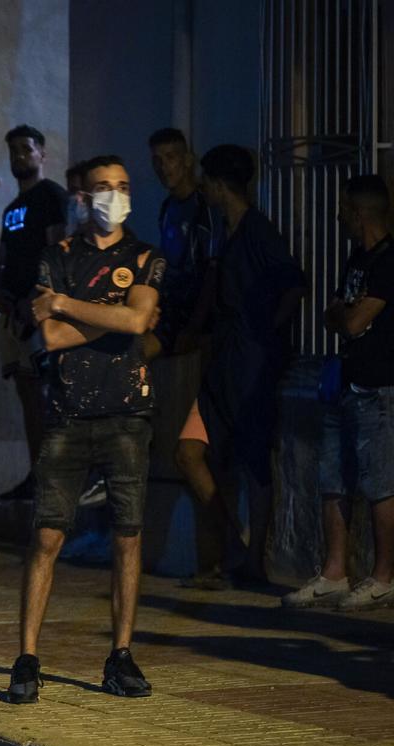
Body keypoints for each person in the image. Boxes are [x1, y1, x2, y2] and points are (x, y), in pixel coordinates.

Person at [8, 156, 165, 704]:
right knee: (47, 536)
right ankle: (27, 657)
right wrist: (110, 315)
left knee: (128, 536)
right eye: (103, 188)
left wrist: (74, 307)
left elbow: (138, 321)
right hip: (67, 412)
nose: (113, 196)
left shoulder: (145, 257)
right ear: (84, 196)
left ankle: (120, 656)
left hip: (127, 411)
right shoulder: (57, 256)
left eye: (122, 187)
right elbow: (49, 337)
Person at [173, 145, 305, 588]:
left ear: (217, 184)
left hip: (249, 357)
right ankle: (235, 544)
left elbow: (292, 283)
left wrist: (266, 332)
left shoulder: (257, 230)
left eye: (207, 180)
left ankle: (253, 558)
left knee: (252, 459)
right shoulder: (224, 231)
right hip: (227, 356)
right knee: (188, 452)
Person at [283, 175, 394, 611]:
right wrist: (345, 315)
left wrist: (345, 315)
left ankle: (384, 576)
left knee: (380, 483)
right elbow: (336, 313)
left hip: (378, 385)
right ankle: (334, 572)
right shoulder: (357, 259)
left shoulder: (387, 261)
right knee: (333, 478)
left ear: (359, 211)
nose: (338, 215)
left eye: (343, 208)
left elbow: (348, 320)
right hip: (344, 379)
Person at [0, 124, 69, 503]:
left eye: (26, 149)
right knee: (28, 395)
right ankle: (37, 472)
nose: (19, 156)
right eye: (13, 150)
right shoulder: (12, 209)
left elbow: (56, 252)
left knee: (47, 395)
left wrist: (35, 300)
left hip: (40, 314)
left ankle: (54, 476)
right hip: (14, 315)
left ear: (42, 154)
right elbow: (5, 256)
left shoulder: (52, 197)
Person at [145, 128, 222, 361]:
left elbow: (213, 269)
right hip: (171, 314)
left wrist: (195, 327)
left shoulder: (205, 207)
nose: (163, 167)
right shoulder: (167, 207)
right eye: (157, 160)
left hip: (199, 322)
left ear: (187, 160)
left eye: (171, 158)